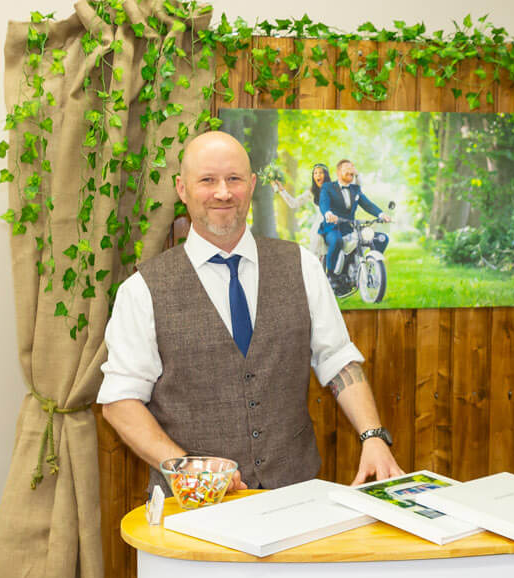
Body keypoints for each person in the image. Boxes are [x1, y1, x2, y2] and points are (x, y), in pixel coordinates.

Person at [98, 131, 403, 491]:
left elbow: (337, 359)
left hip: (294, 495)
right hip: (192, 508)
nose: (223, 193)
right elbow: (120, 401)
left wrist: (372, 436)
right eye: (207, 180)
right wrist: (185, 467)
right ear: (182, 189)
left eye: (234, 179)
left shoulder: (302, 265)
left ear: (252, 185)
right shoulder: (142, 290)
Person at [319, 158, 390, 278]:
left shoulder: (356, 189)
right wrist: (328, 213)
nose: (351, 170)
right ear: (338, 172)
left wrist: (381, 215)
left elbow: (367, 204)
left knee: (382, 238)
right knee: (336, 241)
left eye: (352, 168)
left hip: (350, 228)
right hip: (332, 227)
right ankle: (330, 276)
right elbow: (323, 203)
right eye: (347, 168)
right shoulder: (328, 187)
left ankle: (371, 267)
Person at [272, 162, 331, 259]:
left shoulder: (334, 189)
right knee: (316, 257)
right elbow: (293, 203)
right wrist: (281, 190)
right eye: (315, 173)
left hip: (335, 226)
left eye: (321, 173)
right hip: (319, 229)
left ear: (326, 175)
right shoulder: (312, 192)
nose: (318, 175)